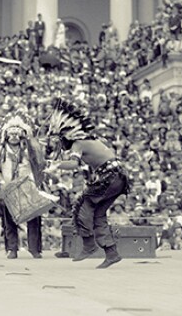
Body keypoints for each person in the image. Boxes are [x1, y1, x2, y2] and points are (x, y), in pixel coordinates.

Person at [45, 98, 129, 269]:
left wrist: (56, 165)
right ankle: (111, 253)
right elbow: (92, 165)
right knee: (97, 214)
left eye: (59, 139)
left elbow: (74, 164)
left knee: (81, 206)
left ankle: (89, 244)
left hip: (110, 177)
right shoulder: (92, 140)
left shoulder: (78, 143)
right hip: (117, 177)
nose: (60, 144)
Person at [0, 112, 46, 259]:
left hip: (28, 186)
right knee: (9, 219)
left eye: (17, 133)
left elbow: (38, 165)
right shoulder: (0, 150)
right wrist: (2, 182)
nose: (14, 136)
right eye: (11, 133)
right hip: (9, 187)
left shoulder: (28, 149)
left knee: (34, 217)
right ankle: (12, 249)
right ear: (5, 135)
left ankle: (34, 248)